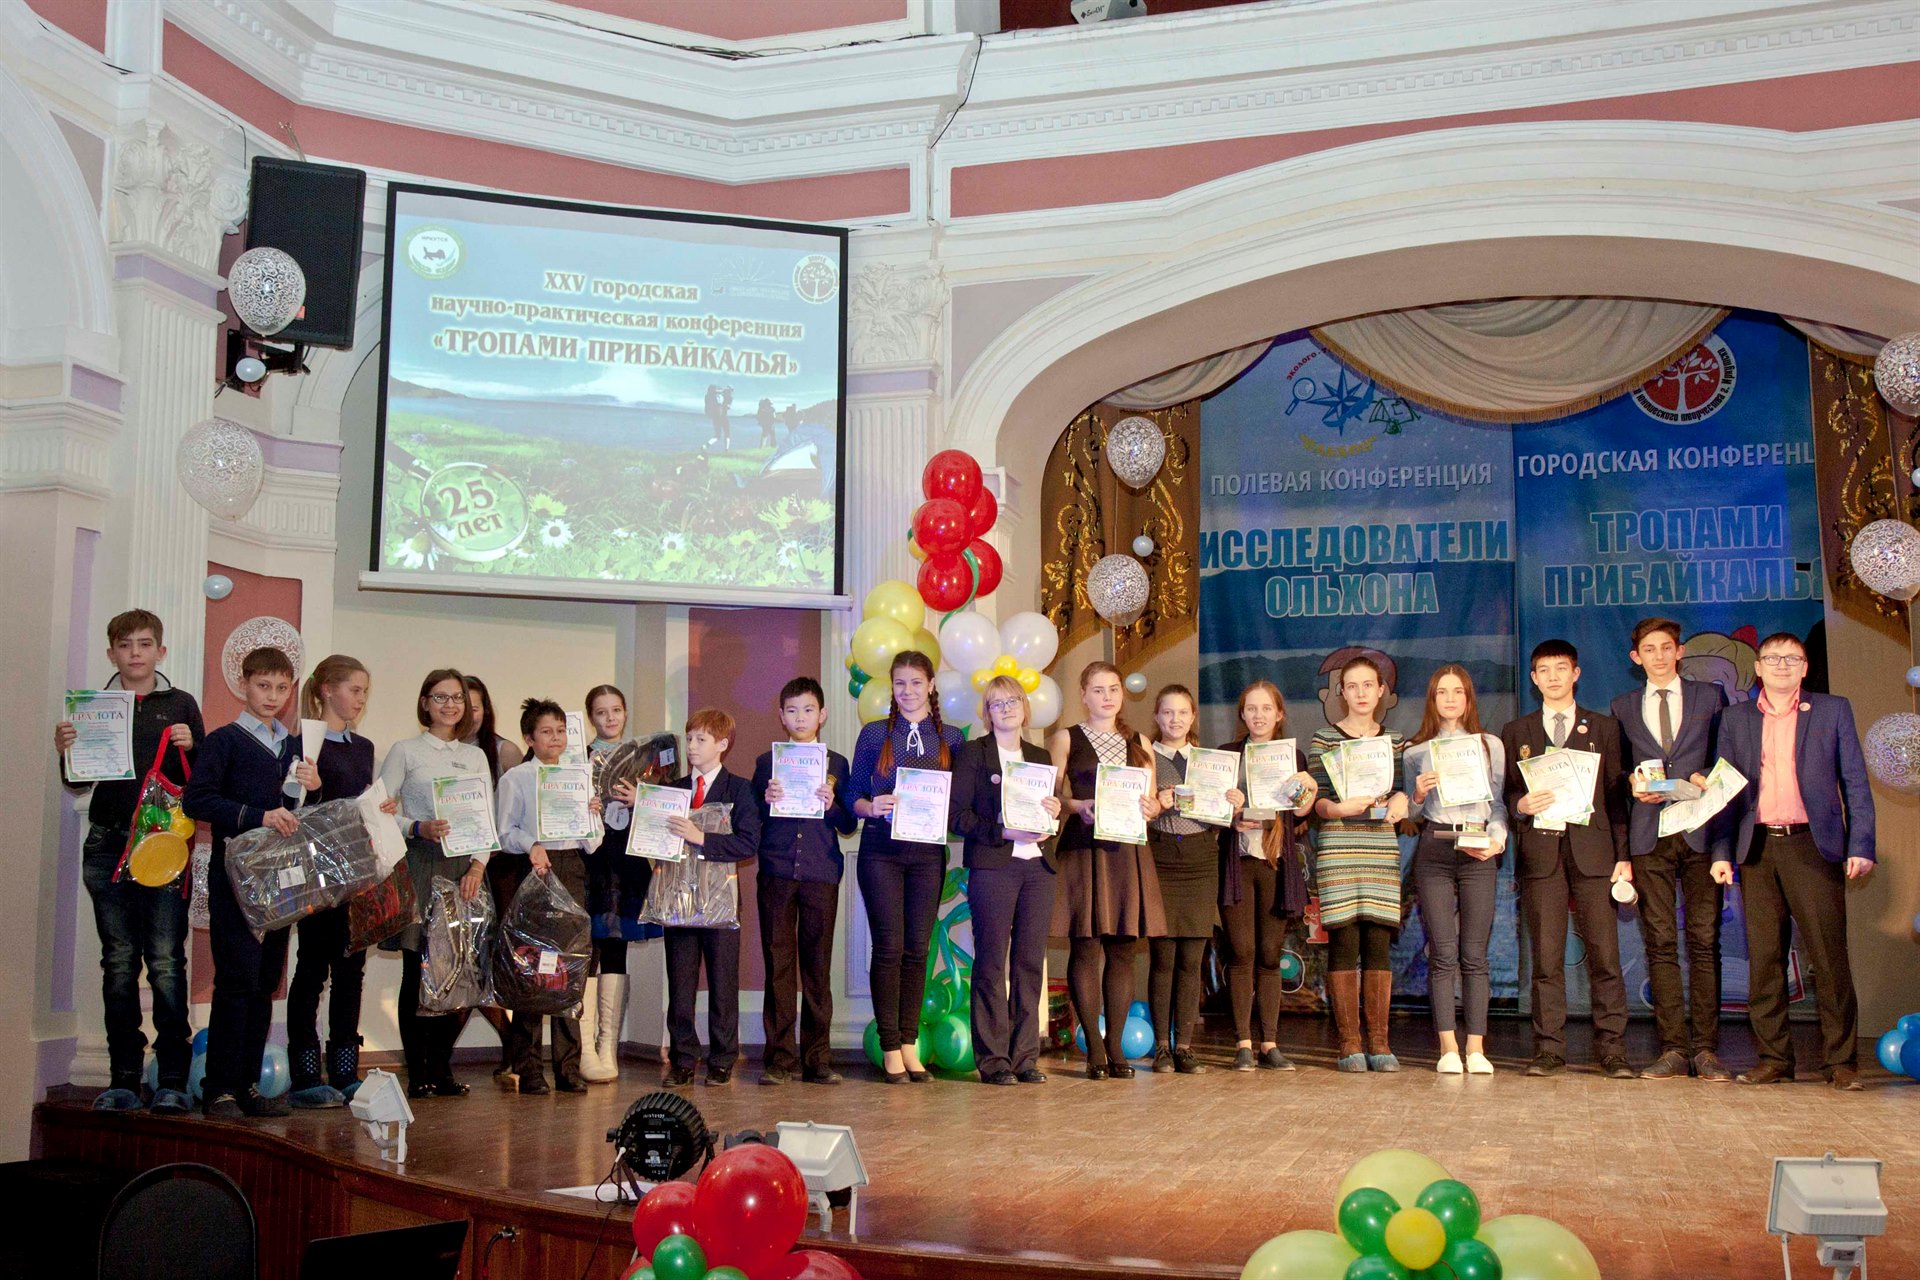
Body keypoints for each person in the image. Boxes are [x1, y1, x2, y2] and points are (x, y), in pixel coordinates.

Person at [54, 609, 205, 1115]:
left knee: (165, 962)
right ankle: (123, 1077)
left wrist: (193, 746)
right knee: (118, 962)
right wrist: (67, 752)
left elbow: (201, 780)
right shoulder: (93, 706)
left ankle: (173, 1079)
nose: (135, 653)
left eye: (144, 644)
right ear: (111, 653)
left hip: (162, 847)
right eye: (125, 645)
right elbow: (77, 781)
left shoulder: (181, 704)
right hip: (107, 842)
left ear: (160, 651)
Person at [1711, 631, 1876, 1091]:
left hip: (1813, 846)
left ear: (1805, 667)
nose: (1781, 665)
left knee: (1828, 957)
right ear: (1758, 668)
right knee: (1765, 959)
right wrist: (1722, 852)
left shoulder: (1832, 710)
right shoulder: (1736, 718)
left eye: (1791, 658)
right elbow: (1724, 791)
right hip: (1757, 849)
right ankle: (1773, 1059)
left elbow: (1855, 782)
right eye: (1772, 658)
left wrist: (1861, 844)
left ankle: (1841, 1062)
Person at [183, 646, 318, 1119]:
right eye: (263, 686)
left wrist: (314, 787)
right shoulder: (224, 741)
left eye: (282, 688)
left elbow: (303, 813)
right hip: (235, 876)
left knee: (265, 980)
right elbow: (197, 800)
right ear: (244, 685)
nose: (272, 696)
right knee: (236, 978)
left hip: (282, 879)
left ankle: (247, 1086)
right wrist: (258, 816)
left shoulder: (296, 747)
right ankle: (218, 1088)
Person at [1500, 640, 1634, 1080]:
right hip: (1542, 856)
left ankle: (1612, 1049)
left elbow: (1616, 797)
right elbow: (1508, 794)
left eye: (1561, 668)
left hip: (1595, 854)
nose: (1553, 676)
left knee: (1605, 956)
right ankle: (1549, 1049)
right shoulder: (1516, 731)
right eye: (1544, 670)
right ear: (1534, 678)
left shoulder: (1605, 728)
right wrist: (1521, 805)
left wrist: (1623, 856)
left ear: (1576, 674)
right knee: (1546, 958)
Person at [1609, 617, 1730, 1082]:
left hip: (1701, 829)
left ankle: (1707, 1050)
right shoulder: (1622, 705)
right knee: (1659, 944)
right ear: (1635, 657)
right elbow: (1617, 774)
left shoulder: (1709, 698)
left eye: (1666, 647)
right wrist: (1632, 783)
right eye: (1649, 649)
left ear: (1679, 652)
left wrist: (1707, 777)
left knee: (1704, 941)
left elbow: (1727, 759)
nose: (1658, 656)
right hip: (1649, 835)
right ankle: (1673, 1049)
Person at [285, 655, 398, 1107]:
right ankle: (305, 1075)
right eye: (354, 689)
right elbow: (294, 808)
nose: (361, 699)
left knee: (351, 970)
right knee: (312, 969)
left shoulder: (363, 747)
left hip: (355, 872)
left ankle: (346, 1071)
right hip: (317, 873)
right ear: (327, 689)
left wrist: (380, 807)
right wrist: (310, 788)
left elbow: (355, 804)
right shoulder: (302, 742)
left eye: (365, 691)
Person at [850, 651, 964, 1083]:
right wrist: (871, 806)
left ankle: (910, 1044)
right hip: (880, 850)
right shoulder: (874, 733)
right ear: (892, 687)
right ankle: (890, 1047)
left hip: (928, 855)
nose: (908, 691)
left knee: (918, 950)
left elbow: (960, 801)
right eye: (900, 683)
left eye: (916, 682)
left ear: (931, 685)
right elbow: (853, 794)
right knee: (889, 947)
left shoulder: (952, 739)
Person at [378, 669, 492, 1099]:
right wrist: (417, 826)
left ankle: (442, 1068)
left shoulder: (475, 756)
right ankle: (418, 1072)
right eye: (440, 697)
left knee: (459, 969)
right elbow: (380, 810)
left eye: (457, 697)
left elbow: (486, 819)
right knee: (419, 969)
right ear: (425, 702)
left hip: (466, 870)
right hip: (422, 863)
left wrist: (478, 867)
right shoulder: (406, 751)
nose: (450, 705)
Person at [1049, 662, 1166, 1080]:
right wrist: (1077, 806)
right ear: (1083, 695)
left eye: (1113, 688)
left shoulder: (1141, 741)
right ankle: (1094, 1048)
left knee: (1122, 950)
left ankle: (1115, 1045)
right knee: (1085, 947)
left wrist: (1153, 807)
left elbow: (1152, 800)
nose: (1107, 696)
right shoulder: (1066, 738)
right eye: (1098, 690)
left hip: (1127, 853)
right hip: (1084, 851)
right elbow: (1052, 796)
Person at [636, 708, 761, 1086]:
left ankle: (722, 1058)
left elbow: (748, 843)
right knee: (681, 983)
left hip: (720, 902)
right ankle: (683, 1059)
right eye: (689, 738)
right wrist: (642, 820)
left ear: (722, 744)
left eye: (701, 739)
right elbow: (652, 841)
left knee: (723, 983)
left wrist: (700, 837)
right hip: (678, 900)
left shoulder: (739, 789)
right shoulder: (671, 790)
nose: (691, 746)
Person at [952, 675, 1062, 1085]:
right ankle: (994, 1060)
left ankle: (1025, 1057)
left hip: (1038, 869)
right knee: (991, 962)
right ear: (987, 712)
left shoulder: (1039, 755)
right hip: (994, 867)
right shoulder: (973, 753)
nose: (1006, 708)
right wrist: (1003, 830)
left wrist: (1053, 813)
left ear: (1025, 707)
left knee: (1030, 963)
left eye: (1013, 700)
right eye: (996, 703)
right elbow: (957, 817)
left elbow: (1048, 812)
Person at [493, 698, 604, 1094]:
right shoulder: (517, 778)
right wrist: (532, 845)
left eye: (560, 731)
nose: (555, 738)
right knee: (533, 967)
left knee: (568, 967)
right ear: (529, 738)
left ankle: (568, 1068)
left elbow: (593, 842)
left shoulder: (579, 776)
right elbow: (504, 832)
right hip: (534, 867)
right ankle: (528, 1068)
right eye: (546, 732)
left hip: (571, 866)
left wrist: (592, 813)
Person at [751, 678, 857, 1086]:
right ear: (781, 716)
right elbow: (751, 820)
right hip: (776, 873)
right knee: (778, 966)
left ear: (822, 714)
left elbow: (848, 823)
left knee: (817, 967)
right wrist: (766, 800)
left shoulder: (837, 765)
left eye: (808, 710)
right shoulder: (766, 763)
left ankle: (817, 1060)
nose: (800, 717)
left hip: (820, 874)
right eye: (792, 710)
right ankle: (779, 1060)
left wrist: (832, 806)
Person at [1309, 654, 1410, 1073]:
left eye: (1369, 685)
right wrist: (1336, 808)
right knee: (1345, 942)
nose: (1361, 693)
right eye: (1352, 686)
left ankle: (1380, 1042)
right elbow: (1316, 801)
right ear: (1341, 692)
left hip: (1380, 848)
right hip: (1338, 847)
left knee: (1378, 944)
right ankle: (1349, 1043)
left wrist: (1403, 800)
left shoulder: (1396, 741)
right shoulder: (1323, 739)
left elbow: (1404, 790)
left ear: (1382, 690)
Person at [1405, 665, 1507, 1076]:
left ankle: (1476, 1048)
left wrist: (1498, 837)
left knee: (1475, 955)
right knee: (1443, 953)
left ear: (1468, 698)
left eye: (1458, 691)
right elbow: (1411, 814)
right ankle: (1448, 1047)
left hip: (1478, 849)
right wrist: (1417, 794)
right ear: (1432, 699)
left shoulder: (1490, 745)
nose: (1450, 699)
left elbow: (1498, 803)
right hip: (1435, 848)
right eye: (1442, 692)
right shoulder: (1416, 751)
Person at [1217, 680, 1318, 1073]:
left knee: (1270, 955)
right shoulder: (1227, 755)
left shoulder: (1294, 757)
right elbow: (1210, 810)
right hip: (1239, 863)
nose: (1258, 715)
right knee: (1241, 952)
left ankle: (1270, 1043)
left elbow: (1301, 813)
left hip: (1275, 863)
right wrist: (1232, 816)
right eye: (1251, 708)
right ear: (1242, 715)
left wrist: (1308, 789)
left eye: (1265, 708)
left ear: (1279, 714)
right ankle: (1243, 1043)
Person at [1142, 685, 1219, 1075]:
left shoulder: (1210, 762)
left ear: (1193, 717)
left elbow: (1223, 813)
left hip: (1202, 858)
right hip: (1160, 857)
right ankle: (1161, 1047)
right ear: (1157, 716)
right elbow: (1130, 810)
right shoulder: (1144, 758)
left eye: (1183, 712)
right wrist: (1156, 806)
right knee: (1163, 958)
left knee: (1192, 959)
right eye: (1168, 712)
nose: (1175, 719)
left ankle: (1185, 1046)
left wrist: (1232, 803)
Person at [580, 683, 642, 1084]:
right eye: (601, 712)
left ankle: (608, 1046)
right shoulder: (577, 759)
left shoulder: (643, 759)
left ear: (625, 712)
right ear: (591, 718)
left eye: (616, 710)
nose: (610, 718)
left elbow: (663, 813)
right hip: (589, 862)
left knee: (617, 949)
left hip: (627, 862)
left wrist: (642, 799)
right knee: (586, 950)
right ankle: (585, 1049)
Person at [462, 673, 521, 1081]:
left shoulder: (504, 750)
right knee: (463, 961)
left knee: (495, 959)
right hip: (454, 866)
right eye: (459, 704)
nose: (468, 713)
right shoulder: (439, 752)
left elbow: (521, 809)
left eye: (475, 706)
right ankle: (513, 1044)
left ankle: (515, 1046)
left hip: (499, 870)